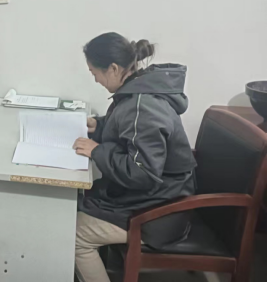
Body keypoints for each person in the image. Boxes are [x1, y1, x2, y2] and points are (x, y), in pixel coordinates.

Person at [73, 32, 196, 282]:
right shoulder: (138, 90)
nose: (95, 80)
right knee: (75, 203)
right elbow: (130, 133)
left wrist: (97, 150)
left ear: (113, 68)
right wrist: (100, 125)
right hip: (154, 196)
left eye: (94, 73)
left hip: (159, 211)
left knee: (74, 235)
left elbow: (142, 172)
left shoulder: (144, 105)